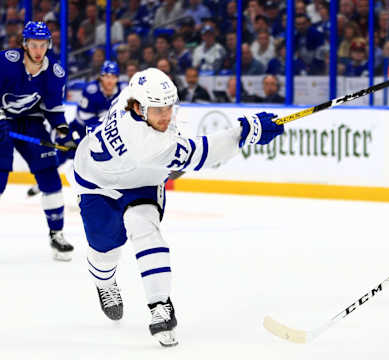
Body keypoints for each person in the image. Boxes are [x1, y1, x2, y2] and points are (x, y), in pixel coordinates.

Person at [72, 67, 284, 346]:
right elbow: (201, 154)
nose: (166, 115)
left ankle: (159, 306)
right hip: (97, 183)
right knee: (105, 251)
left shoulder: (133, 98)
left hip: (143, 182)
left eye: (168, 107)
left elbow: (177, 146)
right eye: (158, 109)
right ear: (138, 107)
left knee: (143, 224)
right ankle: (105, 281)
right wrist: (245, 133)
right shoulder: (145, 142)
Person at [0, 21, 74, 261]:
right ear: (25, 44)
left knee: (50, 176)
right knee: (1, 174)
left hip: (31, 122)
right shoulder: (7, 63)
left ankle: (57, 235)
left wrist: (62, 130)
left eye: (43, 45)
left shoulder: (54, 72)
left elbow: (52, 108)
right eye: (33, 45)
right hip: (2, 118)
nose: (38, 50)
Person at [27, 60, 126, 197]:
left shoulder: (123, 92)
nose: (110, 80)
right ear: (101, 77)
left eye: (113, 76)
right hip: (78, 131)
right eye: (107, 76)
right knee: (59, 157)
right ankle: (42, 183)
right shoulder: (91, 90)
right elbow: (84, 118)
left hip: (103, 134)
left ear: (117, 78)